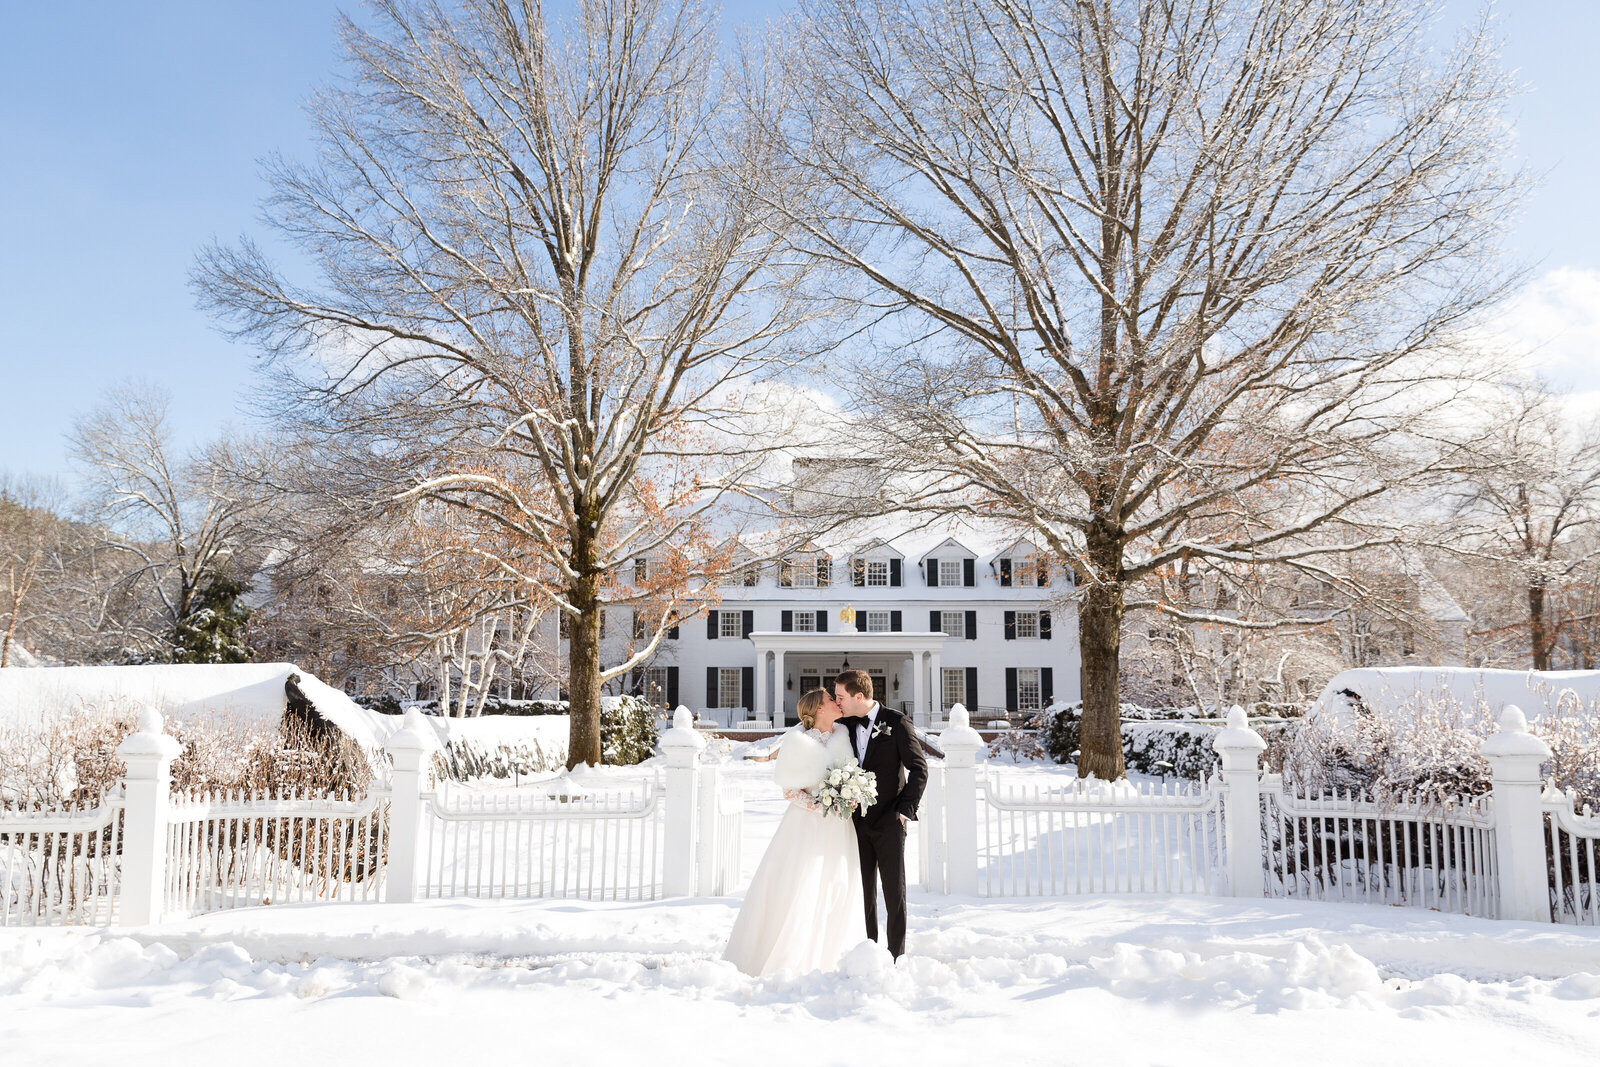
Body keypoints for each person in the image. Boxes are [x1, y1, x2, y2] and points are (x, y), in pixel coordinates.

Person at [722, 689, 868, 976]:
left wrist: (850, 797)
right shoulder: (798, 741)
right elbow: (789, 790)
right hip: (806, 825)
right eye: (830, 700)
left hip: (840, 828)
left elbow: (851, 774)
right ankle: (790, 955)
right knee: (802, 883)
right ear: (818, 710)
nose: (837, 702)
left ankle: (834, 955)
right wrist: (822, 806)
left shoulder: (842, 734)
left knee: (836, 884)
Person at [833, 668, 927, 960]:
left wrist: (903, 811)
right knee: (863, 890)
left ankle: (896, 955)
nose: (837, 702)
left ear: (858, 696)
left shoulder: (897, 722)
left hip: (889, 820)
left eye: (841, 697)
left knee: (893, 891)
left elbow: (919, 769)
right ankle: (868, 950)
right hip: (855, 822)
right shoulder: (844, 724)